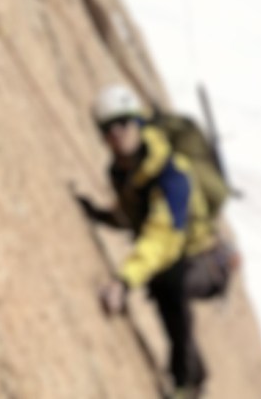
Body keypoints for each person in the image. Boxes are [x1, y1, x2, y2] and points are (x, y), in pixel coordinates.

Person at [76, 83, 236, 399]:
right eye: (108, 129)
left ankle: (186, 384)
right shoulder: (122, 172)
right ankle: (196, 375)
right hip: (182, 254)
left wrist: (123, 281)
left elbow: (164, 237)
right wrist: (99, 215)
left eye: (123, 123)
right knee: (165, 283)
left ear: (138, 122)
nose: (117, 134)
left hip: (207, 259)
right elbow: (132, 217)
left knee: (169, 282)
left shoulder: (172, 173)